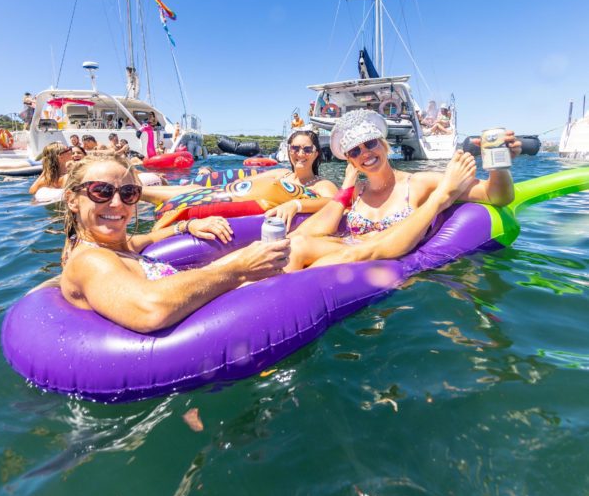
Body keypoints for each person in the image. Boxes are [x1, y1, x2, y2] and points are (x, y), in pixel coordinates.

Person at [59, 151, 290, 332]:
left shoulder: (115, 246)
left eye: (128, 193)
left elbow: (149, 237)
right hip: (197, 337)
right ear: (72, 200)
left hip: (199, 301)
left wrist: (187, 226)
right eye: (101, 191)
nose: (118, 203)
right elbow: (150, 309)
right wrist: (240, 269)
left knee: (292, 248)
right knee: (299, 252)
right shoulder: (90, 260)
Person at [285, 109, 521, 269]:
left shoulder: (418, 183)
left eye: (370, 144)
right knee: (295, 243)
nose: (365, 153)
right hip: (350, 250)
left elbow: (495, 196)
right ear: (350, 161)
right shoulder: (357, 191)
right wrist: (346, 185)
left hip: (383, 265)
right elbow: (317, 229)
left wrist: (498, 165)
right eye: (355, 152)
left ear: (384, 145)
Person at [139, 130, 338, 228]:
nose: (300, 154)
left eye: (307, 149)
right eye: (295, 148)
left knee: (201, 194)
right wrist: (208, 176)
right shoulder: (280, 174)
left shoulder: (321, 184)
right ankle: (136, 192)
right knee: (198, 191)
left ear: (316, 153)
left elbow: (337, 204)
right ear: (289, 151)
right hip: (228, 195)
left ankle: (139, 192)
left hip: (245, 212)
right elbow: (243, 181)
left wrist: (297, 205)